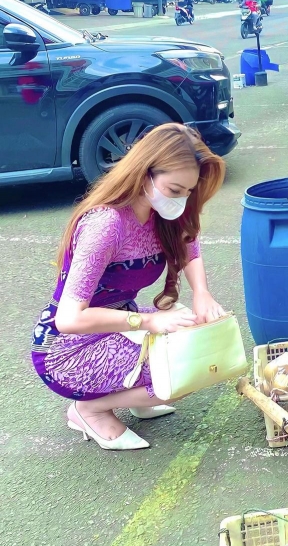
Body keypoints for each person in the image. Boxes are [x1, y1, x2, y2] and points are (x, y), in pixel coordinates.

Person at [32, 124, 226, 450]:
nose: (181, 200)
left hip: (118, 326)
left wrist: (202, 295)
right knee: (184, 366)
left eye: (188, 192)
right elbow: (68, 320)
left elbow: (189, 246)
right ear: (144, 173)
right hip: (67, 350)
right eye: (175, 189)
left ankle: (134, 396)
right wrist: (147, 321)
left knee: (197, 339)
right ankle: (89, 409)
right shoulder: (106, 224)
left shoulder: (160, 212)